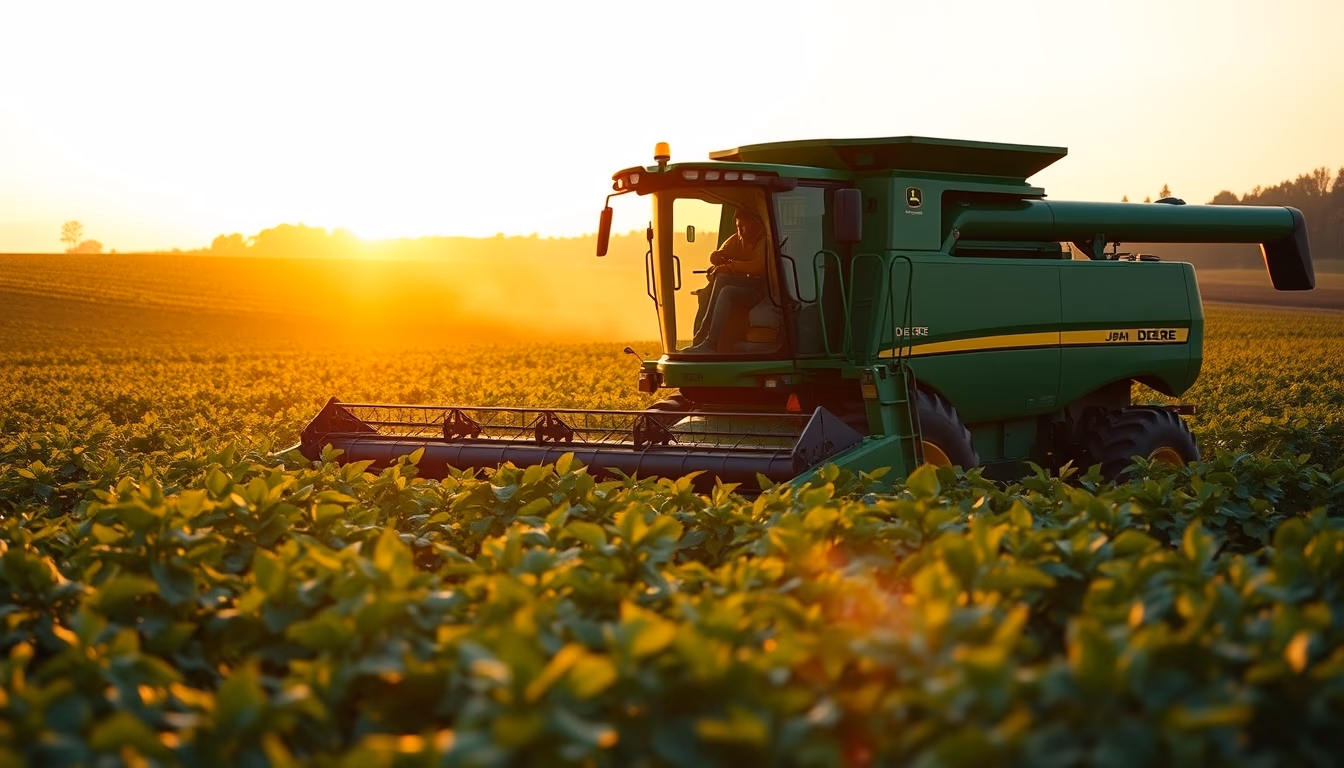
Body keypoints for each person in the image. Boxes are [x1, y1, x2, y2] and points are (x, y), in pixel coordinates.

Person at [685, 210, 768, 353]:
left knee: (726, 287)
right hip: (749, 286)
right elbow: (722, 252)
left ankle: (707, 339)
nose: (740, 231)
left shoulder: (765, 241)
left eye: (743, 227)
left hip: (765, 289)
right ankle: (705, 337)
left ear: (756, 225)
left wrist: (731, 266)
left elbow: (758, 266)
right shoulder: (738, 240)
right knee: (709, 290)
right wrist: (716, 257)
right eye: (737, 227)